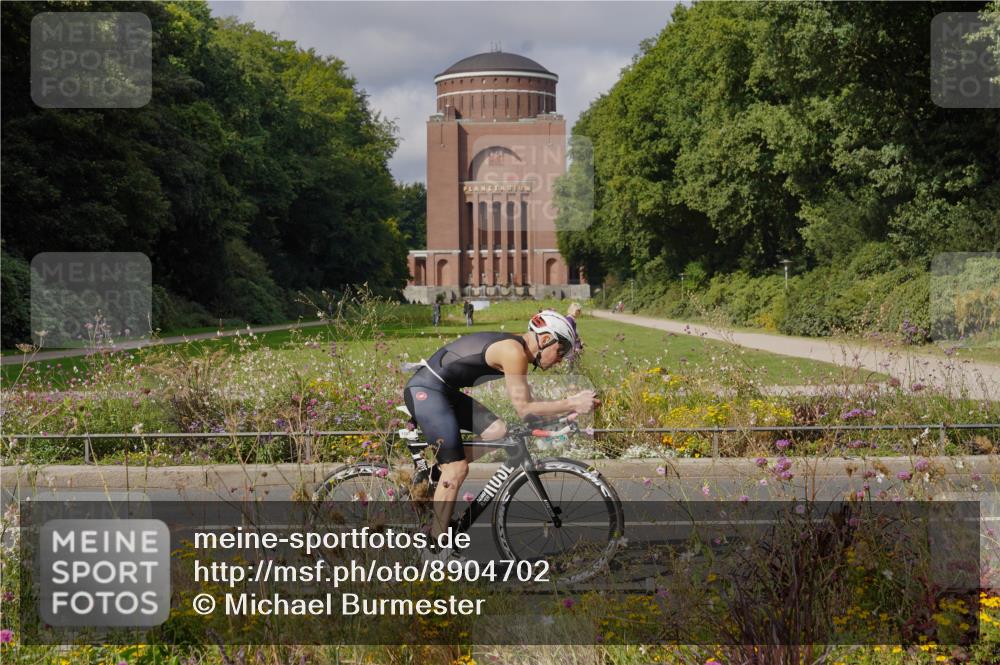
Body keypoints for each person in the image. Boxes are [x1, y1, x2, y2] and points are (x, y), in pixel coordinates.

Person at [402, 310, 599, 561]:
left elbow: (529, 410)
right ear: (546, 339)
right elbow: (525, 408)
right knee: (458, 469)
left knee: (499, 431)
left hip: (443, 390)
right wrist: (572, 403)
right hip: (427, 391)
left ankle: (438, 474)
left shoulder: (519, 351)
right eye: (561, 351)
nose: (560, 359)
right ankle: (435, 551)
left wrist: (561, 415)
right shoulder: (514, 352)